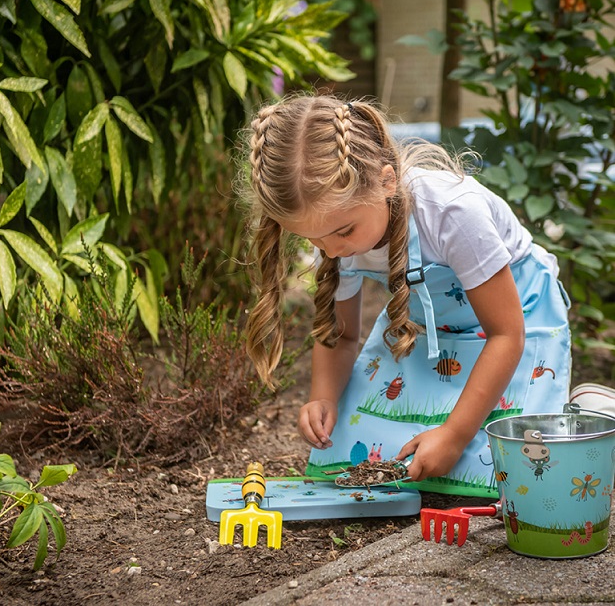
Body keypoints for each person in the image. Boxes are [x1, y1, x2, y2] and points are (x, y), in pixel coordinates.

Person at [240, 92, 610, 493]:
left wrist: (453, 436)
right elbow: (342, 335)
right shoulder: (334, 227)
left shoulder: (453, 213)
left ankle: (589, 411)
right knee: (358, 454)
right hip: (433, 325)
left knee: (523, 472)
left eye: (343, 232)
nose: (330, 251)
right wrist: (323, 397)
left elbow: (507, 334)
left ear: (385, 182)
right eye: (312, 239)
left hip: (516, 321)